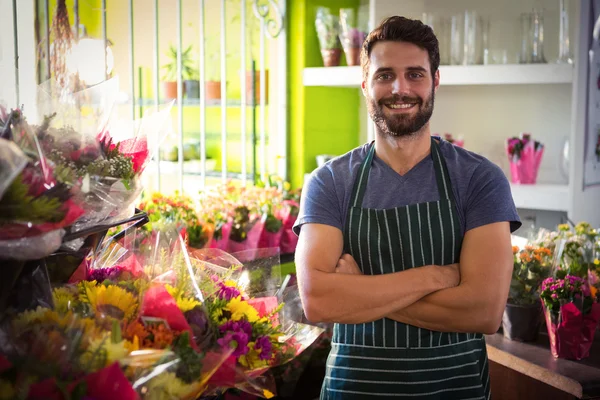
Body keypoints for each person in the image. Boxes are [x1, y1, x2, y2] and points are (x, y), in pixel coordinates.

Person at [293, 16, 522, 399]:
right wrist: (435, 277)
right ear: (365, 84)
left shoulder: (479, 179)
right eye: (385, 75)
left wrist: (359, 289)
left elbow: (483, 311)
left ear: (435, 80)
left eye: (415, 74)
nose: (400, 88)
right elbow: (317, 300)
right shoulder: (329, 182)